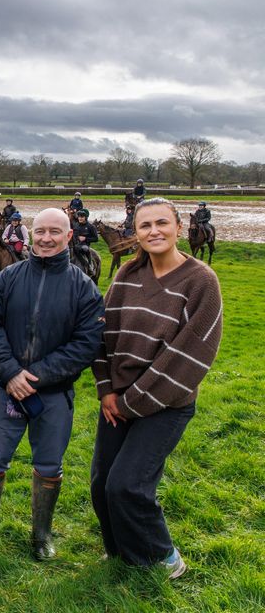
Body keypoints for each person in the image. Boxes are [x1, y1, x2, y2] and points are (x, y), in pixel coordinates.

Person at [91, 198, 222, 578]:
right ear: (136, 233)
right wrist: (106, 391)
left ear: (179, 228)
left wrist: (131, 403)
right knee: (102, 484)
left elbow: (190, 355)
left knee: (128, 485)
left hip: (166, 403)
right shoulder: (126, 276)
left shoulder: (201, 282)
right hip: (118, 400)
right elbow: (102, 336)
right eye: (144, 225)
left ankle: (164, 557)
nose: (154, 231)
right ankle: (121, 553)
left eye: (162, 223)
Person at [0, 208, 104, 560]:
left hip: (53, 395)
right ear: (30, 234)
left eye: (55, 232)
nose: (45, 238)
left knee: (48, 465)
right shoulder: (7, 278)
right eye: (40, 231)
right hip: (5, 388)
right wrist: (10, 372)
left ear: (68, 237)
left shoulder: (83, 288)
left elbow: (86, 344)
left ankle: (41, 535)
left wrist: (35, 376)